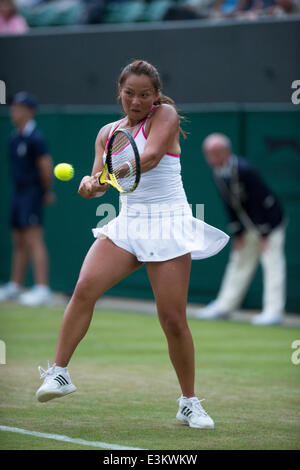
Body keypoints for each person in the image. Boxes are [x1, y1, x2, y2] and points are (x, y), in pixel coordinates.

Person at [35, 60, 229, 429]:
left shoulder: (166, 115)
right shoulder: (107, 132)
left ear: (156, 96)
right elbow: (101, 183)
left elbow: (151, 157)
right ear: (119, 92)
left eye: (144, 95)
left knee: (172, 320)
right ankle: (59, 373)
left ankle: (189, 402)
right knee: (84, 289)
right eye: (129, 93)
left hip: (168, 222)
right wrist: (91, 186)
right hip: (128, 223)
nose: (136, 101)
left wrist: (106, 175)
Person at [195, 133, 286, 326]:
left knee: (272, 263)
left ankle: (273, 312)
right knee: (238, 262)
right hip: (247, 226)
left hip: (270, 222)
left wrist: (264, 233)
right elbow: (230, 205)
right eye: (209, 154)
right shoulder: (217, 172)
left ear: (226, 152)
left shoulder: (245, 170)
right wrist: (238, 233)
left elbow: (260, 201)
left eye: (217, 153)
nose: (212, 158)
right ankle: (224, 307)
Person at [0, 92, 54, 306]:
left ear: (30, 112)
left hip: (32, 192)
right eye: (13, 107)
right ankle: (15, 285)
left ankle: (42, 288)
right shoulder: (13, 139)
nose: (14, 111)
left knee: (33, 239)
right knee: (19, 240)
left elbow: (45, 166)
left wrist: (45, 191)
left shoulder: (36, 138)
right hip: (18, 192)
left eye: (19, 107)